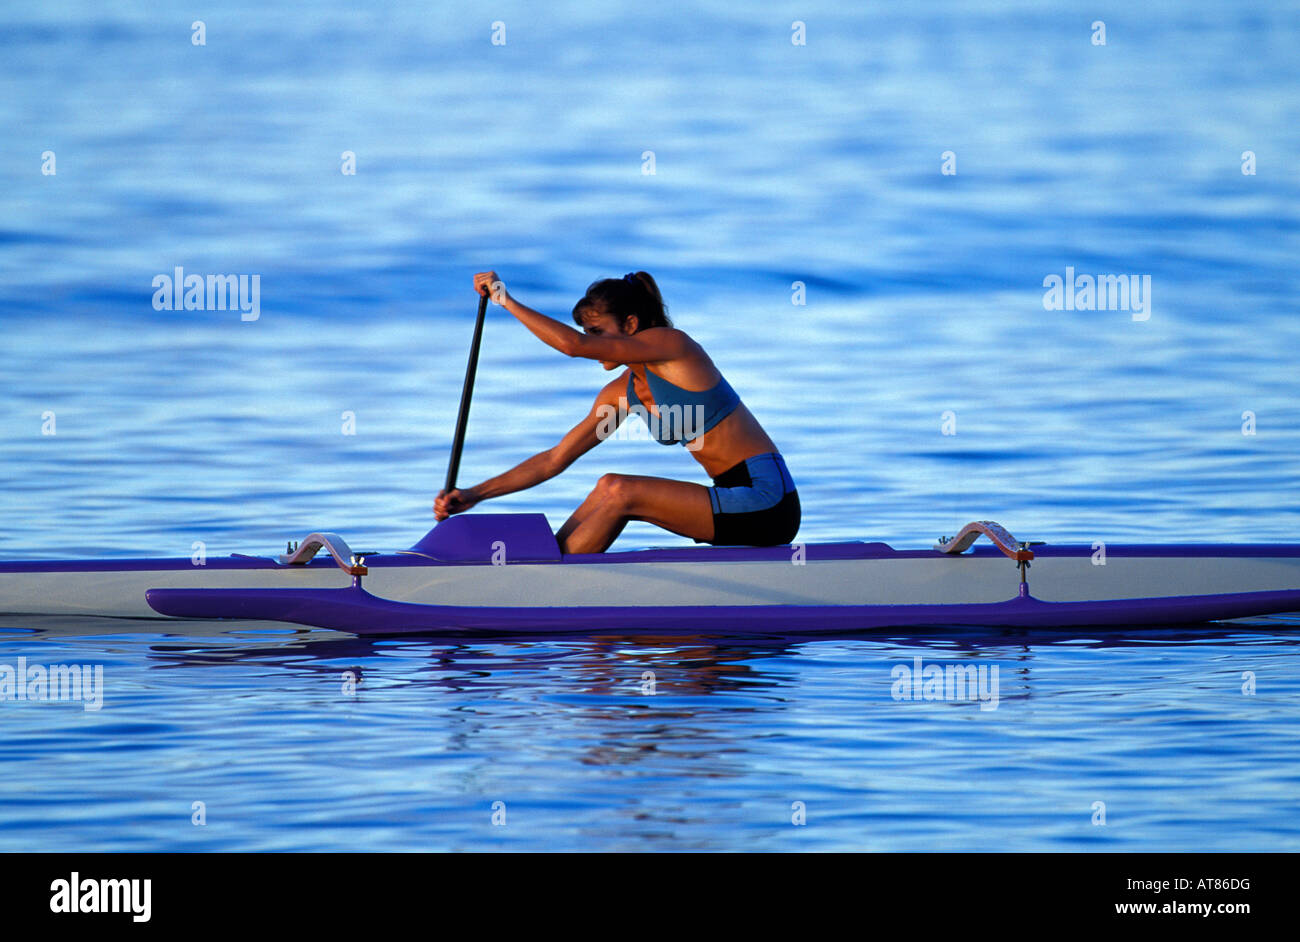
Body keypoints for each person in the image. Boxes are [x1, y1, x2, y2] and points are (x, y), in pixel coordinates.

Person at [433, 270, 799, 553]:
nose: (591, 340)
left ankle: (549, 589)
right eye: (587, 331)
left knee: (622, 490)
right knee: (609, 484)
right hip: (730, 499)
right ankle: (551, 568)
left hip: (768, 500)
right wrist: (475, 494)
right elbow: (553, 459)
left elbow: (573, 346)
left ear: (630, 325)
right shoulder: (619, 395)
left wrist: (504, 299)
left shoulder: (673, 347)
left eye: (597, 331)